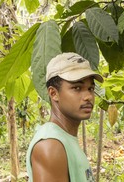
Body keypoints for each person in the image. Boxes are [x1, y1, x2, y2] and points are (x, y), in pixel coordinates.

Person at [26, 52, 103, 182]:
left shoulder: (64, 139)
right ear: (54, 93)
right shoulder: (50, 146)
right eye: (77, 88)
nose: (88, 97)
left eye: (90, 88)